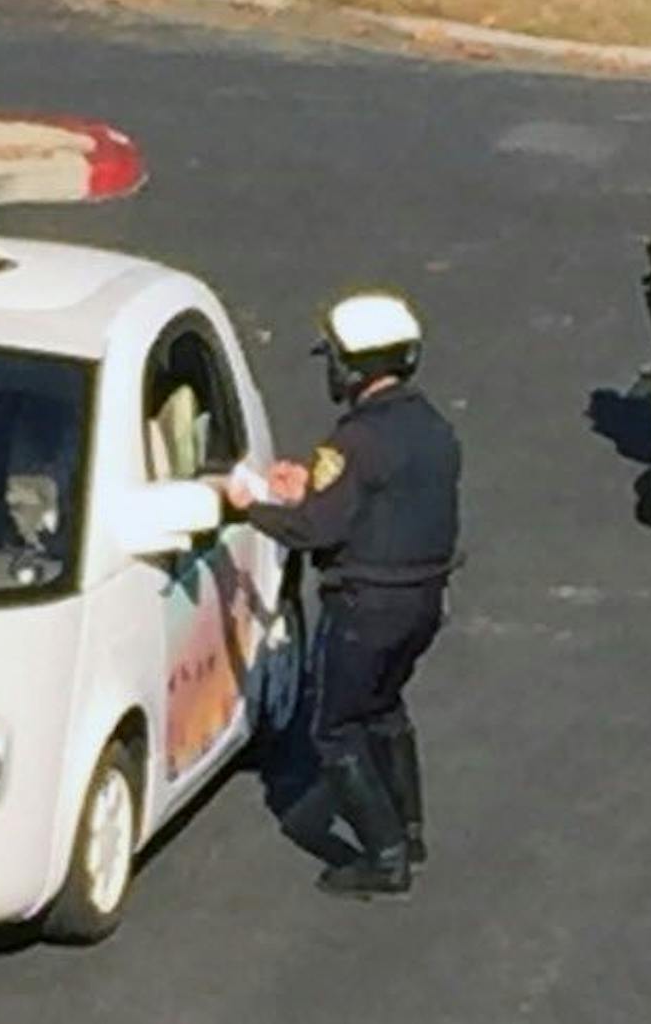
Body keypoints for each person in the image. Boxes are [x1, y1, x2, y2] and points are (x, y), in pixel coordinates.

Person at [221, 291, 461, 899]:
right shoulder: (431, 427)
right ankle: (409, 828)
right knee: (384, 708)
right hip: (422, 603)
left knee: (334, 727)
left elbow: (316, 530)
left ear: (352, 367)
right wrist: (309, 487)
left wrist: (252, 508)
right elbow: (379, 503)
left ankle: (383, 856)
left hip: (364, 607)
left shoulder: (353, 441)